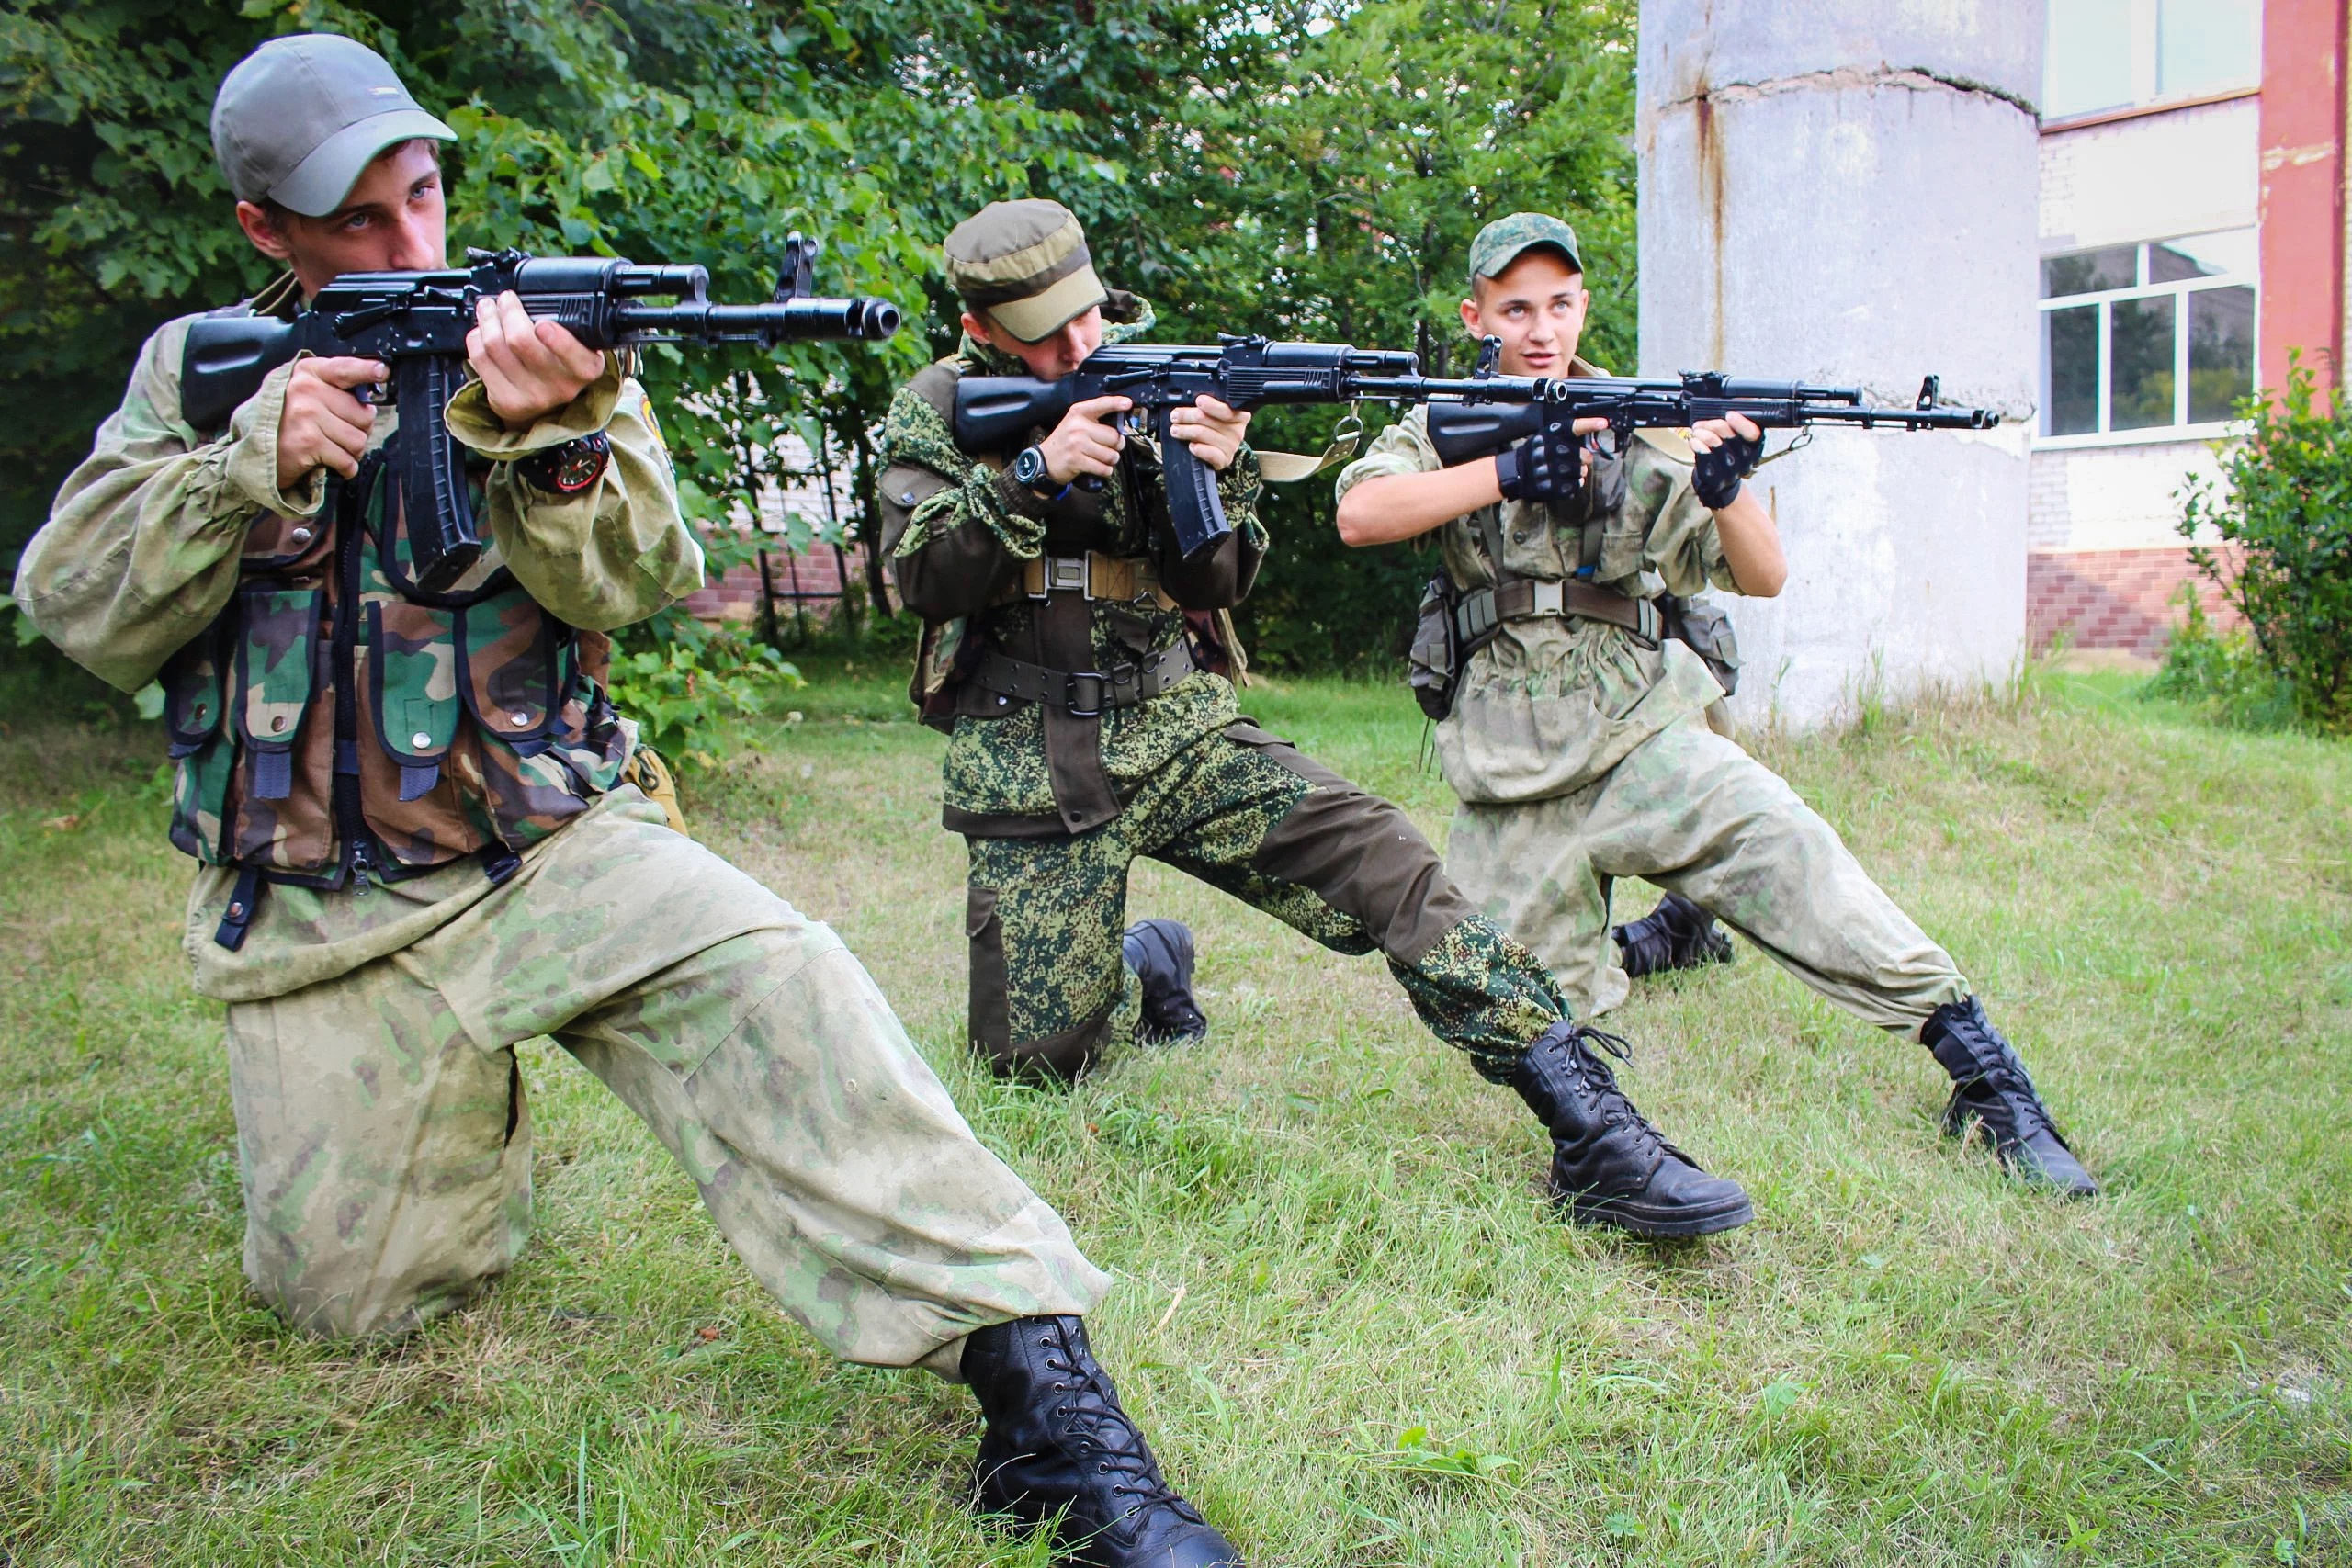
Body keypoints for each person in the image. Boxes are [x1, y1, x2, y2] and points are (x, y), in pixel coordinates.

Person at [14, 36, 1243, 1566]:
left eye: (426, 196)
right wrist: (235, 471)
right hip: (321, 918)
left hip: (557, 851)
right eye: (363, 224)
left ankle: (1042, 1396)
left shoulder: (556, 347)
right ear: (265, 231)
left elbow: (650, 581)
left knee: (788, 980)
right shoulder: (198, 371)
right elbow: (75, 608)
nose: (416, 246)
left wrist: (557, 442)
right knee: (356, 1303)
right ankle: (468, 1116)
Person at [878, 197, 1758, 1242]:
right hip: (1031, 759)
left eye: (1087, 320)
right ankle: (1144, 963)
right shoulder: (934, 408)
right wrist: (1033, 473)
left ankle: (1594, 1132)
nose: (1081, 346)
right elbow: (914, 581)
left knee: (1386, 860)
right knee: (1035, 1064)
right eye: (1045, 336)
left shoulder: (1150, 377)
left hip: (1178, 727)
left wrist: (1212, 468)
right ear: (981, 332)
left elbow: (1221, 574)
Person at [1331, 212, 2097, 1197]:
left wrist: (1728, 487)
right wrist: (1510, 466)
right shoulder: (1441, 419)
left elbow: (1764, 574)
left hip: (1642, 729)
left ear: (1582, 309)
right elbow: (1360, 513)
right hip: (1507, 761)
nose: (1539, 329)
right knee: (1500, 990)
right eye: (1514, 308)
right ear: (1476, 314)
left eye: (1558, 305)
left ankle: (1987, 1082)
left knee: (1795, 857)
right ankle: (1606, 1141)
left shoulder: (1641, 420)